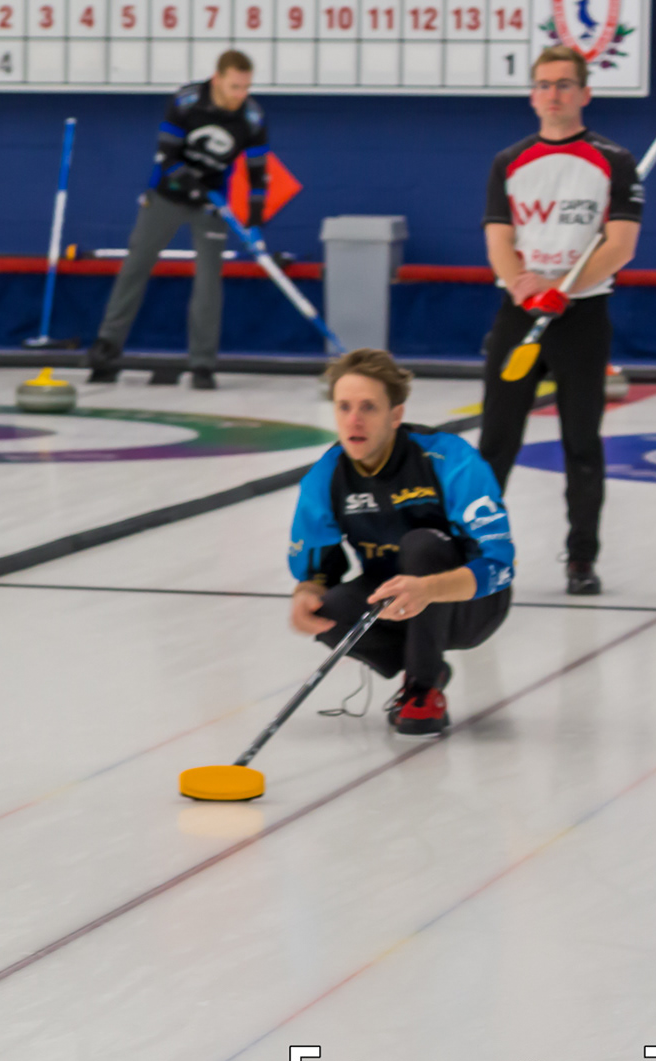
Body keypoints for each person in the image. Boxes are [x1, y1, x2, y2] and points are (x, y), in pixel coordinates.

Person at [477, 43, 641, 597]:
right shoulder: (508, 161)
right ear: (532, 95)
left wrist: (564, 289)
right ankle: (475, 553)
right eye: (544, 84)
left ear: (584, 93)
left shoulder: (615, 161)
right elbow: (498, 239)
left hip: (582, 316)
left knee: (581, 443)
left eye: (564, 84)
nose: (553, 94)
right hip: (519, 313)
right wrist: (525, 287)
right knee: (497, 440)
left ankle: (581, 558)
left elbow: (620, 245)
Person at [288, 350, 514, 736]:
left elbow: (499, 566)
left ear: (395, 415)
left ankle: (421, 690)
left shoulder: (449, 457)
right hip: (393, 600)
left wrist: (429, 589)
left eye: (368, 407)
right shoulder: (326, 475)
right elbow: (317, 570)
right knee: (328, 611)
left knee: (421, 545)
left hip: (468, 604)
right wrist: (305, 594)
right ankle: (426, 664)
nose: (354, 420)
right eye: (344, 407)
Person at [87, 49, 270, 390]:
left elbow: (258, 171)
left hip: (211, 206)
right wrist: (191, 184)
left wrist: (256, 214)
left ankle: (202, 365)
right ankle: (107, 350)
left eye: (246, 87)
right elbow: (166, 156)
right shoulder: (187, 101)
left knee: (209, 282)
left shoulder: (252, 117)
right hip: (167, 196)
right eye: (234, 87)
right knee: (136, 266)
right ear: (217, 79)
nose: (240, 95)